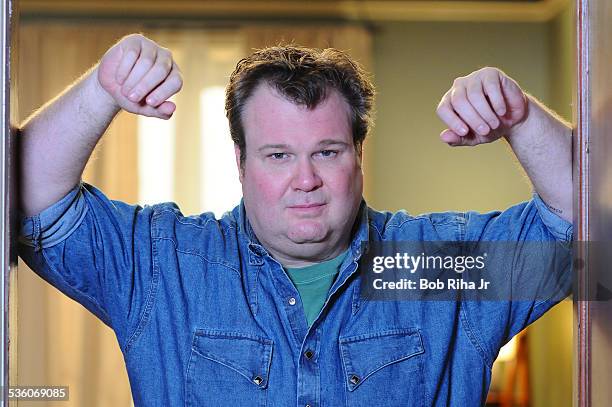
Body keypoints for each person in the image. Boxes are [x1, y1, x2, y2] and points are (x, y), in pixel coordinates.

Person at [18, 34, 572, 406]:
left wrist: (518, 116)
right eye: (278, 155)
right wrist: (101, 90)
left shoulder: (434, 267)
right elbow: (31, 200)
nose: (304, 179)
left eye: (327, 152)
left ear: (359, 153)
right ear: (240, 163)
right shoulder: (165, 265)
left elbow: (579, 230)